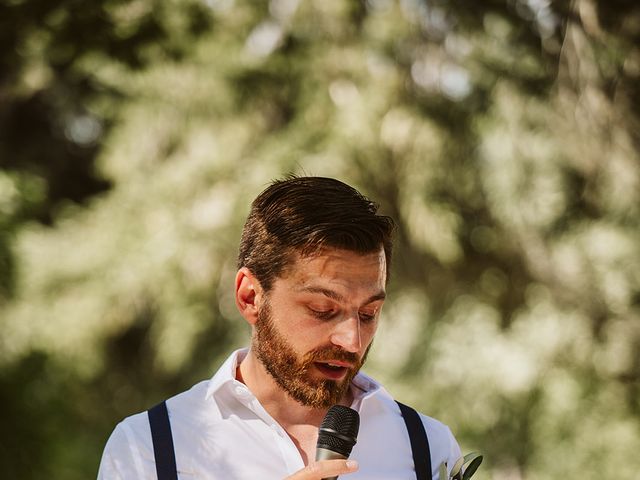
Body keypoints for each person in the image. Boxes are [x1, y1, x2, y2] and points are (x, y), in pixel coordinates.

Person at [98, 176, 462, 479]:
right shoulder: (148, 447)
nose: (352, 341)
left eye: (368, 314)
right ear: (250, 297)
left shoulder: (429, 447)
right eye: (322, 309)